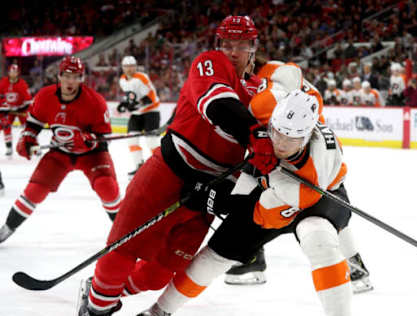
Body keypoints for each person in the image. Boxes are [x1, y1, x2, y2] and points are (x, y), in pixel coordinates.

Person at [76, 15, 270, 316]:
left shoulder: (262, 90)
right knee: (121, 254)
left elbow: (267, 151)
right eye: (227, 44)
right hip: (168, 171)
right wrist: (255, 133)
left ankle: (100, 289)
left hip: (209, 189)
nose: (233, 52)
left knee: (158, 276)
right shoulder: (209, 62)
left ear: (253, 49)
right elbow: (219, 106)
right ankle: (96, 308)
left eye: (241, 46)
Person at [138, 90, 353, 316]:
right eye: (276, 132)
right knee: (216, 253)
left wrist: (225, 200)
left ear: (307, 136)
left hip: (320, 196)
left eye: (291, 138)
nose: (279, 143)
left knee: (317, 238)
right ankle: (159, 310)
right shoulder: (266, 108)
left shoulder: (318, 163)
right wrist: (215, 191)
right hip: (273, 190)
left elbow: (273, 207)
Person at [224, 61, 372, 295]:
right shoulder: (253, 80)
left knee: (325, 201)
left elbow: (312, 104)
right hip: (275, 142)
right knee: (251, 198)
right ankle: (251, 255)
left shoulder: (272, 76)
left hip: (302, 145)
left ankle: (354, 264)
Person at [0, 56, 122, 244]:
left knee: (107, 187)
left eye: (75, 77)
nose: (70, 81)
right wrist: (28, 138)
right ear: (59, 76)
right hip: (60, 153)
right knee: (34, 190)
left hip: (91, 156)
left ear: (82, 79)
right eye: (66, 76)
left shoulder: (95, 102)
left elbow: (104, 138)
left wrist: (90, 140)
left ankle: (124, 233)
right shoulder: (45, 96)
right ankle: (7, 228)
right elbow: (33, 124)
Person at [117, 56, 161, 178]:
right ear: (122, 68)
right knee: (131, 139)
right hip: (137, 114)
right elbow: (131, 97)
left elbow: (151, 96)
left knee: (151, 142)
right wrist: (124, 104)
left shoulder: (142, 77)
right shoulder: (122, 80)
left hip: (151, 112)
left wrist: (137, 105)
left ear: (136, 66)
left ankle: (161, 167)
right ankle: (139, 166)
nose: (129, 69)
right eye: (126, 66)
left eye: (131, 66)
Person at [0, 64, 33, 158]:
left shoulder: (22, 84)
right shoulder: (3, 82)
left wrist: (21, 108)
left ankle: (32, 145)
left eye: (15, 72)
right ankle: (9, 147)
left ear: (18, 73)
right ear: (9, 72)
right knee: (5, 125)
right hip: (8, 110)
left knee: (29, 126)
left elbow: (28, 100)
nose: (13, 73)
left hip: (20, 108)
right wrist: (3, 108)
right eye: (11, 71)